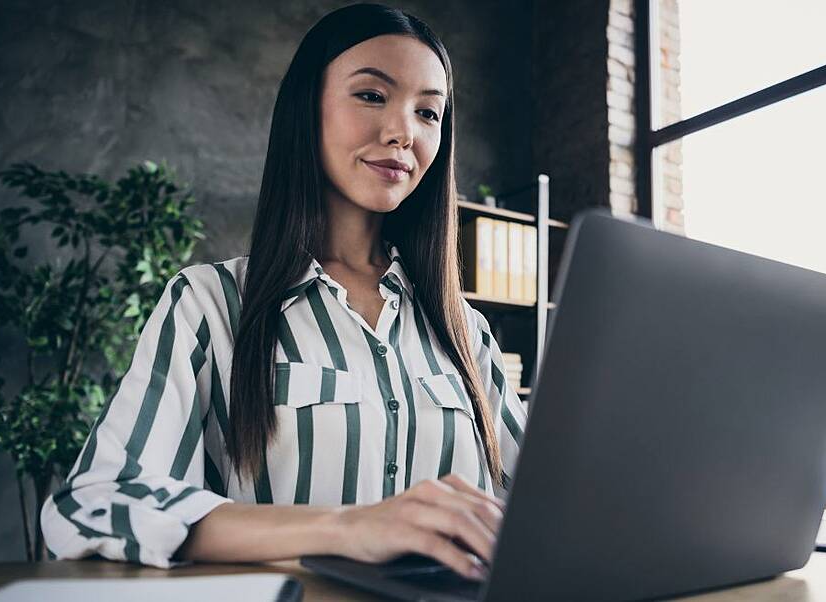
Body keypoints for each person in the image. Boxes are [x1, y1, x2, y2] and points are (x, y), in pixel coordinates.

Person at [40, 3, 526, 583]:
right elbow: (91, 508)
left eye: (428, 112)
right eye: (372, 96)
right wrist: (347, 528)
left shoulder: (466, 333)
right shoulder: (209, 305)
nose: (403, 132)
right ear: (306, 108)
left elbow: (549, 512)